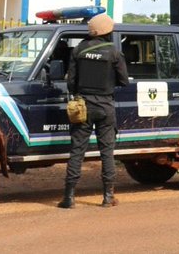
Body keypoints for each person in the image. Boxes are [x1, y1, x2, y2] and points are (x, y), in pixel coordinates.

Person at [59, 13, 129, 209]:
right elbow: (124, 81)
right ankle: (108, 197)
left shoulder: (79, 50)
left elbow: (70, 81)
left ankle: (69, 198)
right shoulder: (114, 52)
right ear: (108, 31)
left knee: (77, 151)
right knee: (107, 152)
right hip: (105, 107)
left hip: (83, 107)